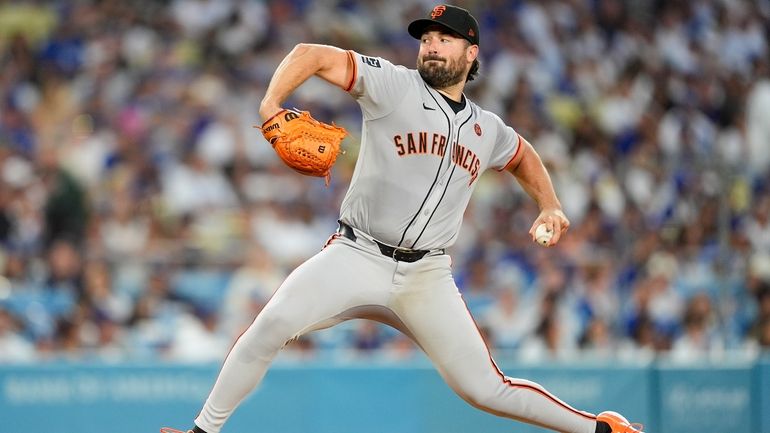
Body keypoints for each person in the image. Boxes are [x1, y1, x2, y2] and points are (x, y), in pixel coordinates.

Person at [162, 5, 643, 433]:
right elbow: (310, 53)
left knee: (485, 389)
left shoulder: (486, 128)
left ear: (470, 53)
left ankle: (600, 430)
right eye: (426, 38)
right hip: (357, 253)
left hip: (427, 274)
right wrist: (271, 105)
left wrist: (550, 203)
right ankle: (203, 432)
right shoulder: (392, 84)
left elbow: (522, 156)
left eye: (444, 38)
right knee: (270, 325)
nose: (431, 44)